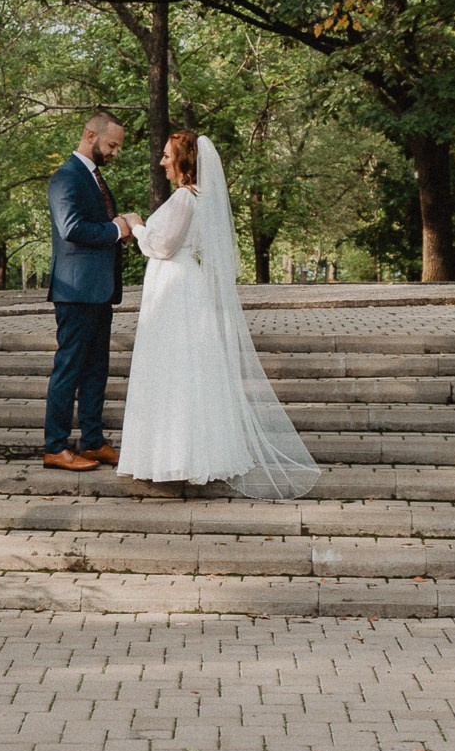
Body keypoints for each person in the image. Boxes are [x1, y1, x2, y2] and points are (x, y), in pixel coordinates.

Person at [117, 131, 320, 499]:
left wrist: (136, 224)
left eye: (166, 155)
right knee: (180, 368)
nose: (161, 162)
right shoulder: (195, 197)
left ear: (182, 160)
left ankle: (179, 457)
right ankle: (176, 453)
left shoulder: (185, 197)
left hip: (175, 287)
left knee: (176, 367)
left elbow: (162, 246)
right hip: (175, 285)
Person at [42, 111, 140, 471]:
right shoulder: (65, 178)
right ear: (90, 135)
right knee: (69, 368)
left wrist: (123, 222)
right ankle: (55, 446)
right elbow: (71, 228)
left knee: (97, 369)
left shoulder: (94, 178)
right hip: (76, 291)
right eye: (112, 144)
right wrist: (117, 230)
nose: (116, 152)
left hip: (99, 290)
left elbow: (98, 222)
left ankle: (93, 441)